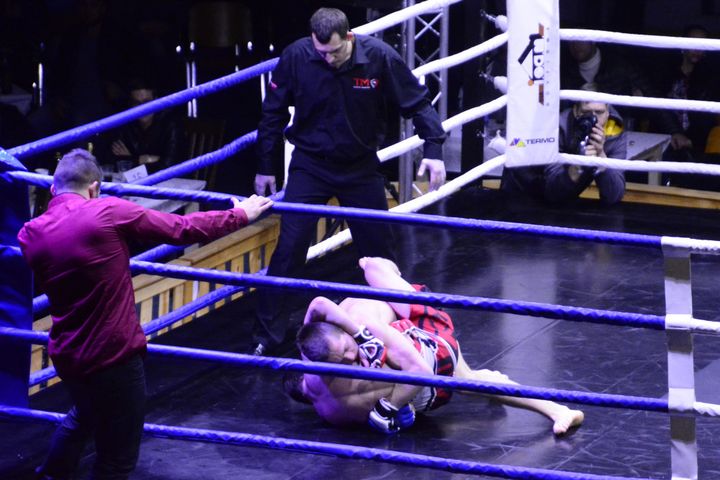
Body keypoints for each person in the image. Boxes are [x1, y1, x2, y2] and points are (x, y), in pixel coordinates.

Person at [17, 148, 272, 479]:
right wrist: (239, 215)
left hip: (68, 355)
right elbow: (181, 228)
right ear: (94, 188)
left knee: (84, 414)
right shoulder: (105, 211)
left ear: (53, 189)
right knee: (117, 459)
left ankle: (50, 474)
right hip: (113, 355)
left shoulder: (29, 234)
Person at [249, 7, 447, 356]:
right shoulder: (297, 56)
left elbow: (417, 102)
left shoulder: (379, 57)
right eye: (321, 52)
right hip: (310, 166)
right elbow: (272, 114)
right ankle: (268, 337)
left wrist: (434, 148)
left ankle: (399, 329)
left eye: (335, 52)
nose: (328, 59)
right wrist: (266, 166)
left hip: (360, 168)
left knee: (379, 254)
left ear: (349, 38)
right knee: (290, 248)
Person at [287, 257, 584, 436]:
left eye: (347, 348)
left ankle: (547, 405)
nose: (352, 356)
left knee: (373, 268)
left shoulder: (352, 338)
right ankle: (554, 408)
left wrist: (361, 336)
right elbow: (417, 372)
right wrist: (390, 408)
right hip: (424, 351)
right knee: (373, 268)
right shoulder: (339, 354)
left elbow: (320, 304)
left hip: (418, 347)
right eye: (343, 359)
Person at [501, 98, 627, 205]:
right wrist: (579, 164)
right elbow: (553, 192)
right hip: (523, 189)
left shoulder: (615, 132)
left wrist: (601, 159)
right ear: (576, 111)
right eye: (586, 112)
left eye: (599, 112)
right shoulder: (556, 127)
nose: (593, 119)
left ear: (607, 112)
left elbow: (614, 197)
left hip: (564, 197)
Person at [107, 79, 185, 175]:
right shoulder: (125, 122)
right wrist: (147, 159)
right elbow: (113, 161)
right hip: (134, 180)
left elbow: (170, 165)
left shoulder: (171, 124)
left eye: (146, 102)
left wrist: (133, 158)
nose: (142, 108)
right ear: (131, 105)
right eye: (136, 103)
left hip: (171, 181)